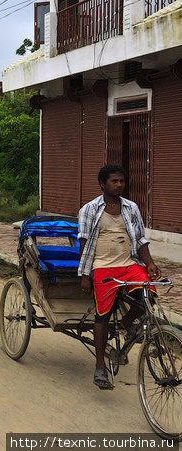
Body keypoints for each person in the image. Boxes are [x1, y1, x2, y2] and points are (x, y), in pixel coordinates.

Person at [78, 164, 161, 390]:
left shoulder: (131, 207)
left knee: (148, 295)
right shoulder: (90, 209)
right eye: (114, 181)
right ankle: (100, 367)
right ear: (102, 184)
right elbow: (84, 243)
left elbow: (141, 240)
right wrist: (85, 274)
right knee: (102, 316)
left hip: (129, 264)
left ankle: (126, 321)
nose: (119, 185)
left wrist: (150, 263)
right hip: (102, 267)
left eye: (122, 181)